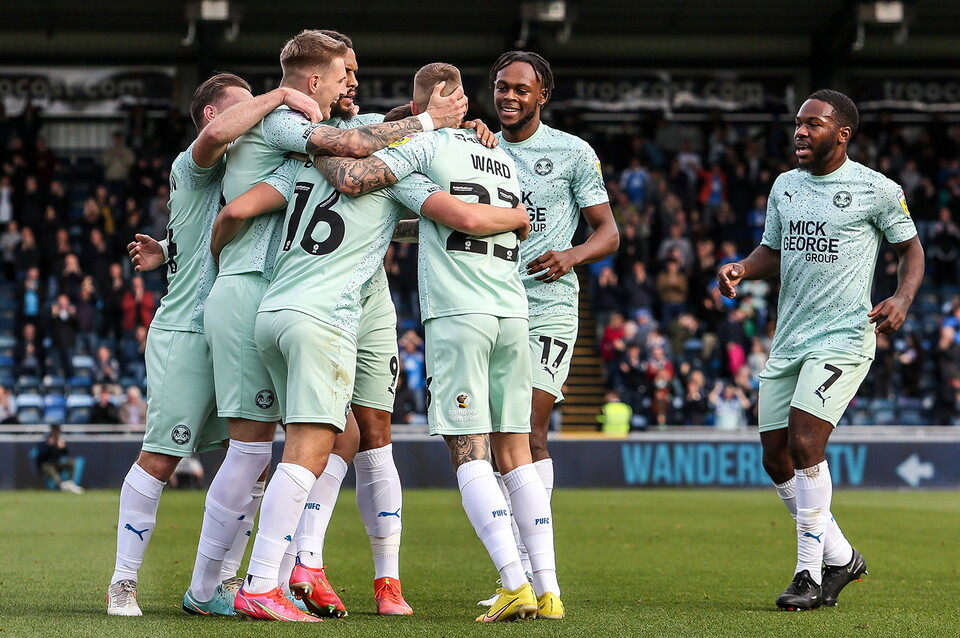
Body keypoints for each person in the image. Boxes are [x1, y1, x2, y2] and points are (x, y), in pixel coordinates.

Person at [212, 68, 525, 623]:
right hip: (324, 312)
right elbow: (439, 209)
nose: (352, 84)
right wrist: (518, 217)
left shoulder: (300, 162)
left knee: (353, 433)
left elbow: (238, 209)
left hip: (276, 305)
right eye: (345, 75)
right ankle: (265, 580)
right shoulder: (395, 160)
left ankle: (310, 569)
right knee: (308, 444)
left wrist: (208, 267)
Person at [316, 61, 563, 623]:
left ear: (422, 102)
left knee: (469, 452)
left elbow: (358, 181)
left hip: (461, 315)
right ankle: (548, 589)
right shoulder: (498, 154)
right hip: (513, 312)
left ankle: (512, 582)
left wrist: (322, 146)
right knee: (516, 452)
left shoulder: (424, 149)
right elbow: (444, 221)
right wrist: (515, 219)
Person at [106, 73, 324, 617]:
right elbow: (210, 147)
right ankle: (123, 582)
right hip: (187, 331)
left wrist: (167, 248)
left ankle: (221, 584)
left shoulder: (245, 172)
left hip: (242, 323)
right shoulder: (193, 161)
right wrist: (278, 95)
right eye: (244, 109)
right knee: (161, 455)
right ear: (214, 116)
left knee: (252, 459)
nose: (258, 118)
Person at [718, 89, 924, 611]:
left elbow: (911, 249)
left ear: (843, 133)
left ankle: (808, 574)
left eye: (813, 124)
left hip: (844, 336)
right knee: (775, 456)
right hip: (790, 338)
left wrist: (901, 297)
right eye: (798, 123)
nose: (801, 132)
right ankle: (842, 556)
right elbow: (773, 249)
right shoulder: (785, 186)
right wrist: (744, 266)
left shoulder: (877, 189)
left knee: (807, 440)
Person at [485, 51, 618, 603]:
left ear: (543, 95)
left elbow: (608, 233)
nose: (509, 96)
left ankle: (543, 583)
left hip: (550, 306)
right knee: (502, 442)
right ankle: (520, 578)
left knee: (527, 430)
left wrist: (572, 255)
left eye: (521, 89)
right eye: (501, 87)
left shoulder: (572, 152)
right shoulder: (477, 147)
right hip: (490, 302)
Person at [33, 425, 84, 493]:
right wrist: (49, 445)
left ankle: (70, 483)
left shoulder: (59, 439)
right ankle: (61, 485)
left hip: (56, 463)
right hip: (45, 464)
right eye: (56, 430)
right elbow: (41, 454)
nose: (57, 432)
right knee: (49, 467)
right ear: (52, 430)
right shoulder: (45, 439)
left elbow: (65, 454)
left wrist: (62, 448)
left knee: (72, 462)